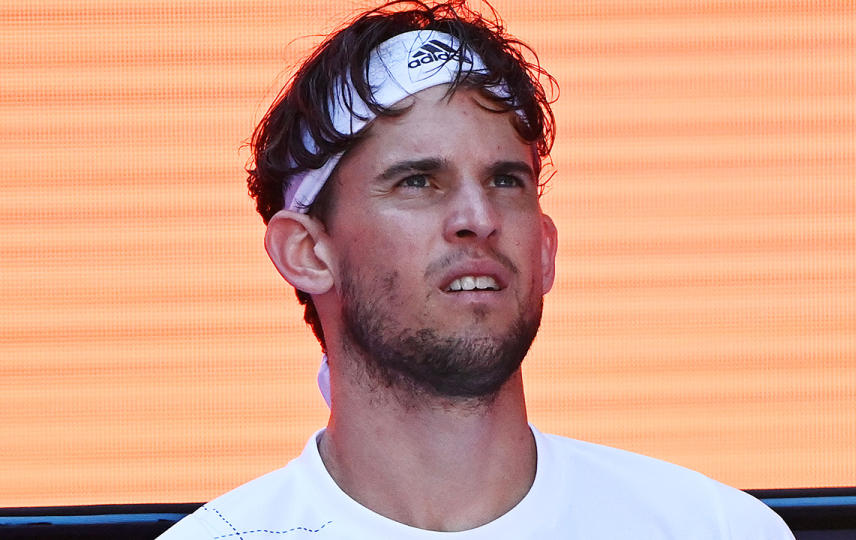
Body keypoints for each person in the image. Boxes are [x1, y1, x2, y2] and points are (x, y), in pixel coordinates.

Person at [159, 1, 795, 538]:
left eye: (505, 180)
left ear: (545, 248)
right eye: (417, 181)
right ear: (307, 252)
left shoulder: (714, 529)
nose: (478, 216)